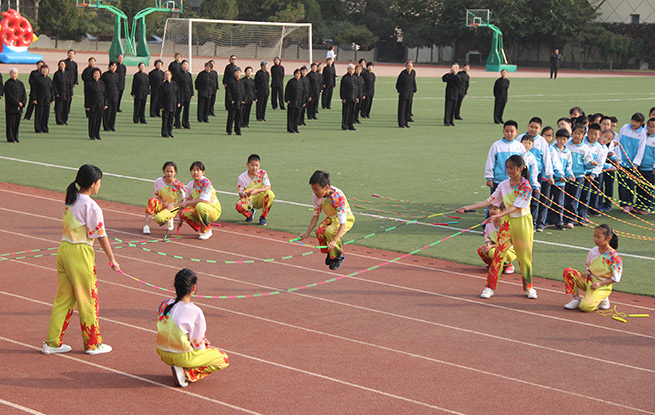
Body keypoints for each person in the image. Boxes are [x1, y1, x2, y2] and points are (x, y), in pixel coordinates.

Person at [42, 164, 119, 355]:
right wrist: (112, 259)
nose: (100, 185)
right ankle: (93, 343)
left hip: (64, 250)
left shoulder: (71, 200)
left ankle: (52, 342)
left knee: (64, 298)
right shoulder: (91, 206)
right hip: (79, 253)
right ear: (93, 184)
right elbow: (101, 235)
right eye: (99, 182)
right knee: (87, 298)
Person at [458, 155, 537, 299]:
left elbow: (516, 207)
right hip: (507, 223)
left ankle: (529, 287)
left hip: (522, 223)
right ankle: (490, 287)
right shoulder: (503, 185)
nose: (509, 171)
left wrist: (497, 216)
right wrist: (468, 207)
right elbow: (489, 201)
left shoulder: (526, 186)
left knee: (525, 258)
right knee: (498, 255)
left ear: (520, 168)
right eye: (507, 168)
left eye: (512, 168)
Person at [156, 268, 229, 388]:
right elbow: (198, 345)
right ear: (193, 288)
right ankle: (187, 373)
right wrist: (204, 345)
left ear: (175, 287)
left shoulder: (164, 304)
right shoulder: (195, 311)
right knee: (223, 359)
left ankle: (181, 367)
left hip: (162, 353)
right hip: (182, 356)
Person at [299, 170, 355, 270]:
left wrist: (334, 240)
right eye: (313, 189)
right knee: (319, 231)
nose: (315, 193)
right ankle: (330, 253)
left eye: (317, 189)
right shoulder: (316, 197)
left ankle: (339, 255)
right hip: (332, 218)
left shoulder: (338, 198)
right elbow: (315, 216)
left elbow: (343, 223)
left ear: (327, 187)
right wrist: (307, 233)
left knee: (330, 231)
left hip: (346, 218)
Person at [562, 224, 621, 311]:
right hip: (589, 281)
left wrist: (600, 284)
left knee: (585, 307)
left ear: (608, 238)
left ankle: (602, 298)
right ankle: (576, 299)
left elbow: (615, 278)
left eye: (599, 237)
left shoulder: (614, 257)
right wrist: (588, 272)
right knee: (569, 272)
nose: (595, 239)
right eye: (594, 236)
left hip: (602, 285)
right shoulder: (593, 250)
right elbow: (589, 266)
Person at [517, 117, 554, 229]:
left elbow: (546, 158)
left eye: (536, 128)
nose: (533, 129)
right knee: (521, 199)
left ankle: (538, 223)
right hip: (521, 174)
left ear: (540, 129)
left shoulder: (542, 141)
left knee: (537, 200)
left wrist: (549, 174)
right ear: (528, 126)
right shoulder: (520, 138)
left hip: (536, 175)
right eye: (531, 127)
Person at [178, 161, 222, 240]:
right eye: (193, 170)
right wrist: (180, 219)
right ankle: (202, 228)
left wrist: (188, 203)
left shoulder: (206, 183)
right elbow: (185, 202)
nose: (195, 172)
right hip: (198, 210)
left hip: (212, 210)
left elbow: (204, 200)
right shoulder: (189, 185)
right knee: (183, 212)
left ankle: (207, 230)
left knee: (200, 205)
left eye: (198, 170)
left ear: (203, 172)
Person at [564, 124, 597, 228]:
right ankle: (562, 217)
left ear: (583, 136)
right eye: (575, 133)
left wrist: (591, 164)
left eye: (579, 134)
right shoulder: (567, 145)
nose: (577, 136)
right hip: (566, 175)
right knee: (564, 197)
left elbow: (587, 164)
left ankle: (571, 218)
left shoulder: (585, 148)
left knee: (574, 198)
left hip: (579, 176)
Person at [484, 120, 526, 195]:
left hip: (515, 181)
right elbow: (490, 162)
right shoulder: (496, 145)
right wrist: (489, 177)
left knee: (512, 203)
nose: (509, 133)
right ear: (503, 131)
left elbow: (525, 163)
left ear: (516, 132)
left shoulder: (519, 146)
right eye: (507, 131)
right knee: (496, 203)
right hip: (498, 181)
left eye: (511, 131)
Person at [535, 126, 564, 232]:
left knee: (544, 201)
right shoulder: (536, 145)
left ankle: (541, 223)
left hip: (546, 179)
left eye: (549, 136)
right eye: (545, 135)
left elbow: (556, 164)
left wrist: (559, 175)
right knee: (534, 201)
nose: (547, 137)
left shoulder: (552, 150)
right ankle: (533, 221)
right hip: (536, 178)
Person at [144, 161, 185, 234]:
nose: (169, 174)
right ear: (164, 171)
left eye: (171, 171)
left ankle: (169, 219)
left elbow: (184, 200)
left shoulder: (178, 185)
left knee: (159, 219)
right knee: (151, 201)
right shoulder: (158, 181)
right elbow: (156, 196)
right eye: (167, 171)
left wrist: (173, 206)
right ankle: (146, 226)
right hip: (162, 204)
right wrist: (163, 203)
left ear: (175, 172)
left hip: (173, 207)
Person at [616, 112, 646, 212]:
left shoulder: (642, 132)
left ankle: (630, 204)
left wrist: (636, 163)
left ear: (641, 123)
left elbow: (641, 149)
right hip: (622, 162)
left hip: (632, 164)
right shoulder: (625, 128)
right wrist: (618, 159)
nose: (634, 123)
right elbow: (619, 143)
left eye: (637, 122)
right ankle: (624, 204)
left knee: (630, 184)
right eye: (633, 120)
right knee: (622, 184)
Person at [236, 154, 275, 226]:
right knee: (239, 206)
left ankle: (263, 217)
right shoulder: (242, 177)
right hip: (249, 199)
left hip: (260, 198)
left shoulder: (262, 173)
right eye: (252, 165)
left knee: (270, 194)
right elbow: (240, 194)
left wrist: (256, 191)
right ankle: (249, 214)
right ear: (247, 164)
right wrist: (247, 194)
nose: (254, 168)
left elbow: (268, 187)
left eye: (257, 165)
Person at [548, 129, 575, 229]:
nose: (561, 141)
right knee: (547, 201)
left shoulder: (567, 153)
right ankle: (547, 220)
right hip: (550, 179)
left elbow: (568, 167)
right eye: (560, 139)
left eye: (564, 139)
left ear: (567, 140)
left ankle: (559, 221)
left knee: (559, 202)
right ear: (556, 138)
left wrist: (570, 175)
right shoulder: (551, 150)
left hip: (561, 182)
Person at [478, 204, 516, 274]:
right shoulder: (489, 222)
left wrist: (491, 246)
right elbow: (487, 236)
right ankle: (492, 265)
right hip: (494, 247)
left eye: (495, 209)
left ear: (503, 211)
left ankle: (508, 265)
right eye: (490, 208)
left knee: (493, 252)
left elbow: (507, 243)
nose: (492, 211)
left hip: (508, 249)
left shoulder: (507, 223)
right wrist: (488, 244)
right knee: (481, 250)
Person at [632, 118, 655, 213]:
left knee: (649, 189)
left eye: (653, 127)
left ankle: (648, 207)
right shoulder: (643, 136)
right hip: (640, 167)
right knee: (639, 187)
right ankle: (639, 205)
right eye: (649, 126)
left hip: (650, 169)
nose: (650, 128)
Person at [4, 67, 27, 143]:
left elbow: (24, 94)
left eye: (15, 73)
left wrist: (23, 103)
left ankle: (16, 137)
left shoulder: (20, 83)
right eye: (12, 73)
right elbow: (9, 96)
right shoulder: (7, 84)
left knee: (17, 124)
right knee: (10, 123)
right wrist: (17, 102)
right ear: (10, 74)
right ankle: (10, 138)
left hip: (19, 108)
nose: (14, 75)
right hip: (11, 107)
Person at [86, 68, 107, 141]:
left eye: (98, 73)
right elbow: (87, 95)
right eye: (95, 73)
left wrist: (105, 104)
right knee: (92, 120)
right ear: (92, 75)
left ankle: (97, 134)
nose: (96, 75)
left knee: (98, 120)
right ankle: (92, 135)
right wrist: (87, 106)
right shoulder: (89, 83)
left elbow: (105, 94)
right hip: (92, 104)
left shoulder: (102, 83)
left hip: (100, 104)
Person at [33, 64, 54, 133]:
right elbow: (34, 89)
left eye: (46, 69)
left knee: (46, 114)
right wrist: (34, 99)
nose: (45, 71)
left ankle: (44, 127)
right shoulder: (37, 79)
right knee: (39, 114)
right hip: (39, 99)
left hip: (47, 100)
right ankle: (38, 128)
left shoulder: (49, 79)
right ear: (40, 70)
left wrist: (52, 99)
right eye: (43, 69)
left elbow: (51, 90)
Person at [158, 70, 180, 138]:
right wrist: (161, 105)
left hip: (173, 104)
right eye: (166, 75)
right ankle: (164, 133)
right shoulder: (162, 85)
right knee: (165, 119)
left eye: (168, 74)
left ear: (171, 76)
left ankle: (170, 132)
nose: (167, 76)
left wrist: (178, 102)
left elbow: (177, 93)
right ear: (164, 76)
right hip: (166, 104)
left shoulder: (174, 84)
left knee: (171, 119)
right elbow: (160, 96)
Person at [395, 61, 416, 128]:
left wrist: (415, 89)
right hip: (403, 94)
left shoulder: (413, 73)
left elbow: (413, 81)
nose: (409, 68)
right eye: (408, 66)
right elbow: (398, 84)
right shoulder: (403, 74)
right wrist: (400, 91)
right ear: (406, 66)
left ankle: (406, 122)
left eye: (410, 66)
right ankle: (401, 123)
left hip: (410, 94)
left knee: (407, 109)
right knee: (402, 109)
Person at [100, 61, 119, 132]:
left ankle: (112, 125)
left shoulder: (117, 75)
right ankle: (106, 126)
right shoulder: (105, 75)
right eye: (112, 66)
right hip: (107, 96)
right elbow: (102, 86)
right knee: (107, 112)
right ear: (109, 66)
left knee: (113, 112)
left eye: (115, 66)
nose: (113, 68)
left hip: (114, 96)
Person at [225, 66, 244, 136]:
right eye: (237, 73)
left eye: (239, 73)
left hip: (240, 102)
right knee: (231, 117)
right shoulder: (231, 82)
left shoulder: (241, 82)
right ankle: (229, 130)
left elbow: (243, 92)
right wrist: (231, 100)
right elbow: (228, 92)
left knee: (239, 118)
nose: (238, 74)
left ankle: (238, 130)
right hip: (233, 102)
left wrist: (243, 100)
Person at [53, 60, 73, 125]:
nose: (62, 66)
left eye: (63, 64)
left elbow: (70, 84)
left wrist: (71, 93)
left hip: (67, 93)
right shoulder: (56, 74)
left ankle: (64, 120)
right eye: (60, 64)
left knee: (65, 108)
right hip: (59, 94)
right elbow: (54, 84)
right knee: (59, 108)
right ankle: (59, 120)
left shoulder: (67, 74)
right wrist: (56, 93)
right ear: (58, 65)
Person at [174, 60, 193, 129]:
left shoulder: (189, 74)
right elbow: (177, 86)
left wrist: (192, 93)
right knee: (179, 109)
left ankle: (186, 123)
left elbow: (191, 85)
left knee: (186, 110)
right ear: (181, 65)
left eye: (187, 65)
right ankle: (177, 123)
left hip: (187, 94)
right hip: (180, 94)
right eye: (184, 64)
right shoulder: (178, 74)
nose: (185, 66)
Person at [340, 63, 357, 131]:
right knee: (346, 113)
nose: (351, 70)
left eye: (352, 69)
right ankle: (344, 125)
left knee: (352, 113)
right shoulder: (345, 77)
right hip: (347, 98)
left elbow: (356, 88)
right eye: (350, 69)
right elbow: (342, 88)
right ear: (347, 69)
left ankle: (350, 125)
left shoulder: (355, 77)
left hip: (353, 98)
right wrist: (343, 97)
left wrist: (357, 97)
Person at [284, 68, 303, 133]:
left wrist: (303, 101)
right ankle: (290, 128)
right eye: (297, 73)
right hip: (292, 101)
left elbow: (303, 92)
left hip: (299, 101)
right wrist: (287, 99)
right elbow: (287, 91)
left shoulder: (301, 82)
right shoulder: (291, 81)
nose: (298, 75)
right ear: (294, 74)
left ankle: (295, 128)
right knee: (291, 116)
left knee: (297, 116)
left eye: (299, 74)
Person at [64, 49, 78, 115]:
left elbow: (76, 73)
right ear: (67, 54)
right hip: (64, 82)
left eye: (72, 54)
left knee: (70, 96)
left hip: (71, 83)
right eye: (70, 53)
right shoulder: (64, 62)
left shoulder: (75, 64)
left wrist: (75, 82)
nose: (71, 55)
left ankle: (67, 109)